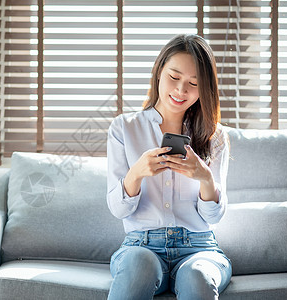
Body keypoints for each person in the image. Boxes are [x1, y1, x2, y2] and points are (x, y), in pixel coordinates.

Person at [106, 34, 232, 300]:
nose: (181, 91)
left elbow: (213, 218)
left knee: (196, 276)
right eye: (174, 78)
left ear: (204, 89)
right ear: (159, 72)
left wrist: (205, 179)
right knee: (138, 265)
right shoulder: (124, 128)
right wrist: (137, 172)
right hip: (141, 246)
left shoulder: (215, 135)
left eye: (193, 84)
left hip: (199, 248)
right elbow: (118, 209)